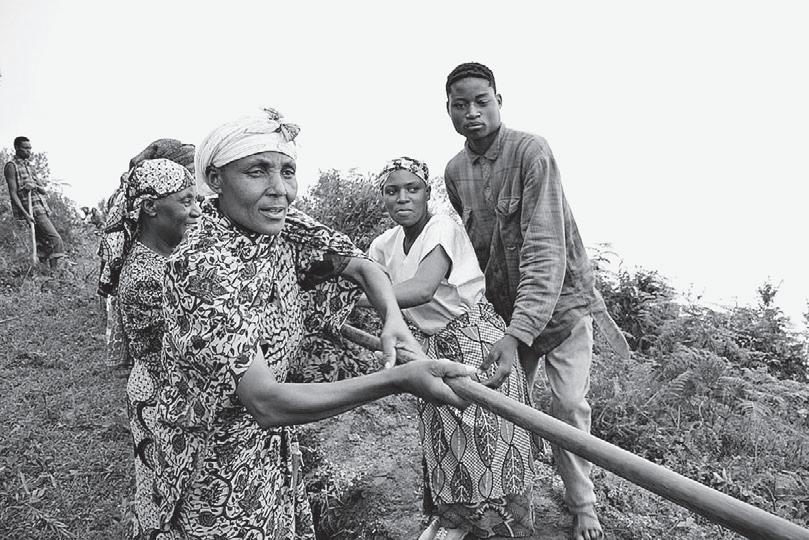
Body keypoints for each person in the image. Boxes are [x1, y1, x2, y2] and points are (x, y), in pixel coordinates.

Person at [148, 108, 478, 539]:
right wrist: (398, 380)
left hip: (266, 446)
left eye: (287, 171)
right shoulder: (201, 265)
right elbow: (266, 402)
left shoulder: (278, 223)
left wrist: (392, 319)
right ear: (215, 179)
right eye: (257, 171)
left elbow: (361, 266)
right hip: (213, 461)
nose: (280, 189)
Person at [442, 62, 630, 540]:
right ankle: (506, 499)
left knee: (567, 405)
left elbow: (545, 249)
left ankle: (583, 504)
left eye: (481, 101)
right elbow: (475, 251)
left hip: (562, 305)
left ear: (499, 101)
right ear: (449, 110)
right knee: (504, 405)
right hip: (506, 312)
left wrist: (517, 333)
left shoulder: (531, 152)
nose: (472, 112)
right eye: (460, 104)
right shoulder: (455, 171)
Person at [361, 156, 536, 539]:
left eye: (412, 189)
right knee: (445, 440)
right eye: (392, 191)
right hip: (431, 346)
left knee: (487, 437)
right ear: (383, 197)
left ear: (427, 193)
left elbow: (422, 288)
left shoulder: (442, 228)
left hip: (474, 341)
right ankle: (455, 519)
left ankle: (497, 525)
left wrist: (357, 298)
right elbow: (369, 281)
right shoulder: (383, 244)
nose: (402, 198)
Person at [97, 157, 201, 538]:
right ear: (150, 207)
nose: (196, 210)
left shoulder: (163, 258)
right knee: (166, 498)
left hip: (164, 393)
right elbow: (181, 357)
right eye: (186, 201)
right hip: (160, 399)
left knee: (164, 493)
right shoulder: (146, 276)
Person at [3, 136, 66, 270]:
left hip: (41, 208)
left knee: (44, 243)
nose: (29, 151)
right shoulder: (11, 166)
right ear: (17, 148)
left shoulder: (30, 166)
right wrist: (25, 214)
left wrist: (34, 186)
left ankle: (46, 275)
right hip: (31, 210)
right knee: (55, 239)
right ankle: (55, 273)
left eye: (30, 148)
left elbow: (43, 190)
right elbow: (13, 193)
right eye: (25, 148)